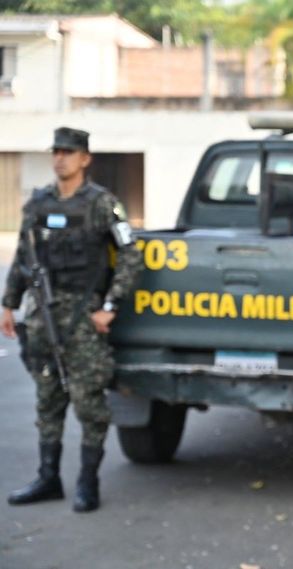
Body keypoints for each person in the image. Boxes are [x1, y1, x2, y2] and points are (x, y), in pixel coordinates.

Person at [1, 127, 143, 512]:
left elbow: (131, 255)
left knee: (89, 405)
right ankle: (48, 478)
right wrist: (9, 303)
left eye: (68, 152)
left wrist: (109, 307)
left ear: (85, 159)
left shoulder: (102, 204)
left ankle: (87, 483)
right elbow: (24, 255)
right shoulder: (39, 203)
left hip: (82, 321)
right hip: (42, 320)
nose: (59, 158)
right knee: (47, 401)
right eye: (56, 151)